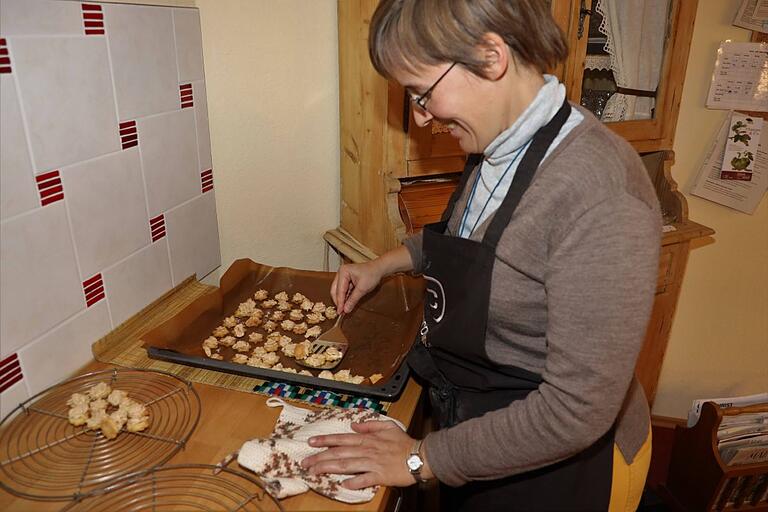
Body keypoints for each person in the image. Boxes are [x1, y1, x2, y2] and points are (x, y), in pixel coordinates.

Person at [300, 0, 660, 510]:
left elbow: (573, 413)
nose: (421, 119)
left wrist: (418, 458)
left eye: (423, 94)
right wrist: (385, 263)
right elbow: (472, 240)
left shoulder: (601, 192)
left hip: (560, 468)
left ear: (490, 58)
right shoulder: (498, 143)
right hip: (475, 430)